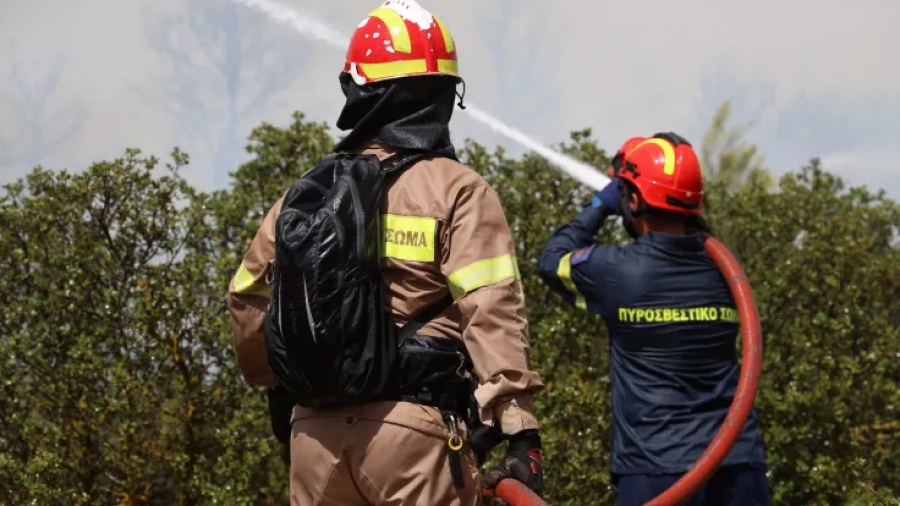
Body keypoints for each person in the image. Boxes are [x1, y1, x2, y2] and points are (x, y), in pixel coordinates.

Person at [227, 1, 545, 505]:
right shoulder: (457, 189)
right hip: (412, 439)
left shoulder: (306, 192)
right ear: (439, 96)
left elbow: (246, 295)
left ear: (359, 93)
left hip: (313, 438)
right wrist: (521, 431)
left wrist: (278, 386)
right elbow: (491, 309)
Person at [537, 133, 770, 506]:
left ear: (633, 199)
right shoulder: (725, 270)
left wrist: (599, 206)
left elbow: (551, 261)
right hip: (738, 465)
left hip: (656, 469)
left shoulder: (618, 272)